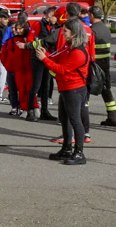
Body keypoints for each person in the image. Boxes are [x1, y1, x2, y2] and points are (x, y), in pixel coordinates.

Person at [36, 18, 90, 165]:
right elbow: (57, 57)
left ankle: (79, 153)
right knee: (64, 119)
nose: (62, 34)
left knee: (75, 120)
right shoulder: (68, 46)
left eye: (65, 31)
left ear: (73, 33)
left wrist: (44, 59)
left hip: (74, 89)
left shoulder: (78, 52)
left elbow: (62, 69)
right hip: (66, 88)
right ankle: (66, 148)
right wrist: (45, 54)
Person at [25, 6, 58, 121]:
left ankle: (45, 111)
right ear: (48, 15)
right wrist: (40, 49)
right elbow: (30, 40)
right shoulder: (38, 25)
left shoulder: (55, 27)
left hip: (49, 59)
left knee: (46, 85)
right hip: (38, 58)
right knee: (36, 85)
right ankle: (30, 111)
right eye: (53, 14)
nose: (55, 17)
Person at [88, 6, 116, 126]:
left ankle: (82, 116)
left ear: (91, 15)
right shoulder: (106, 29)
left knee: (86, 91)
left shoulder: (92, 30)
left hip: (94, 65)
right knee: (106, 90)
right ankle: (113, 117)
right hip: (105, 65)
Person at [1, 20, 36, 119]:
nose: (18, 31)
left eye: (21, 28)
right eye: (17, 29)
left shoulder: (29, 41)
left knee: (27, 89)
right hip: (14, 69)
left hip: (27, 69)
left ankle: (27, 108)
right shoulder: (11, 41)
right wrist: (8, 66)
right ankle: (16, 107)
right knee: (13, 90)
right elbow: (4, 55)